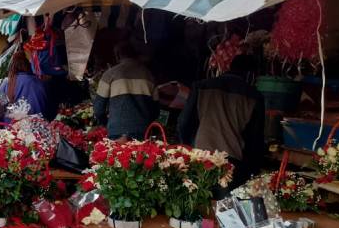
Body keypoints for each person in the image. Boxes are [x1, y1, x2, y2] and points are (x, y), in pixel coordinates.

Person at [178, 54, 265, 189]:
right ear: (251, 74)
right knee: (224, 201)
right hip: (232, 161)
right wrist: (251, 169)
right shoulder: (254, 96)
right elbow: (255, 139)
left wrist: (187, 148)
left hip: (200, 156)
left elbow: (184, 122)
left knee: (198, 196)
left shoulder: (201, 86)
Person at [92, 42, 158, 140]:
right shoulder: (149, 75)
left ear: (117, 55)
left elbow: (98, 109)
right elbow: (155, 110)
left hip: (117, 131)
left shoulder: (109, 74)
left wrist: (108, 123)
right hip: (143, 131)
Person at [0, 51, 48, 117]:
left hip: (12, 122)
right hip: (37, 120)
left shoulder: (6, 82)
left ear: (12, 67)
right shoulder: (38, 81)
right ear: (28, 66)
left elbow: (3, 105)